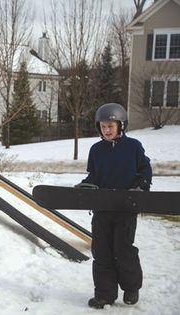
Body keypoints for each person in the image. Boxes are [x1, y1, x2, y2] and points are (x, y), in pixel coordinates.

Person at [77, 103, 152, 309]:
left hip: (125, 209)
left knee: (123, 249)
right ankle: (104, 294)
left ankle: (131, 287)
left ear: (121, 125)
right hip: (102, 209)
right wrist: (86, 185)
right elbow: (94, 175)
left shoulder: (133, 147)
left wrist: (142, 185)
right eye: (103, 126)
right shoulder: (96, 149)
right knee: (101, 252)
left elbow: (145, 170)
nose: (106, 130)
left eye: (110, 126)